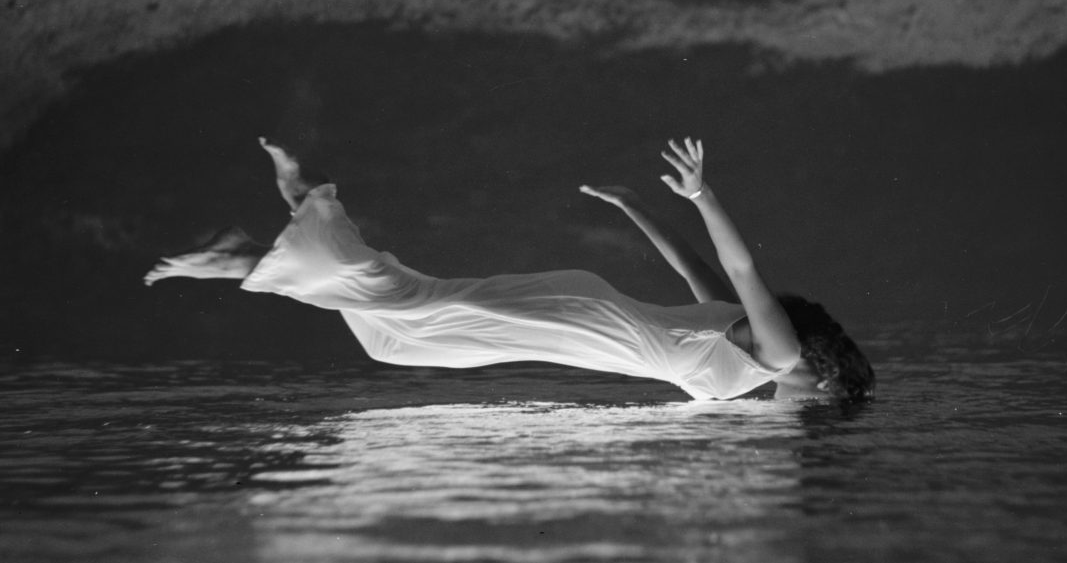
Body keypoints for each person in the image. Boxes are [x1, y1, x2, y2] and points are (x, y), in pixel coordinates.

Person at [145, 137, 873, 401]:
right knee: (413, 310)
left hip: (586, 321)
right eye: (820, 395)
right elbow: (736, 263)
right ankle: (264, 240)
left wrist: (631, 207)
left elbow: (691, 270)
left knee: (415, 318)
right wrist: (701, 192)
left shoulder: (747, 351)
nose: (803, 404)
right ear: (822, 373)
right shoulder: (775, 354)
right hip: (589, 323)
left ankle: (295, 212)